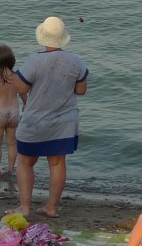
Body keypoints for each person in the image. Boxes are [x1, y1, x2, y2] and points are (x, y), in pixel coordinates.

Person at [11, 16, 88, 218]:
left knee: (25, 162)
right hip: (64, 122)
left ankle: (25, 207)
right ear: (63, 38)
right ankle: (51, 207)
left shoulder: (34, 60)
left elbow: (20, 87)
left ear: (43, 37)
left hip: (35, 121)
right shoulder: (76, 61)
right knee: (57, 163)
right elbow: (81, 90)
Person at [0, 44, 26, 178]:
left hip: (0, 114)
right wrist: (26, 104)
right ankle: (10, 170)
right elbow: (23, 94)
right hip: (14, 114)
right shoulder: (17, 77)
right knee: (12, 144)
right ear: (11, 60)